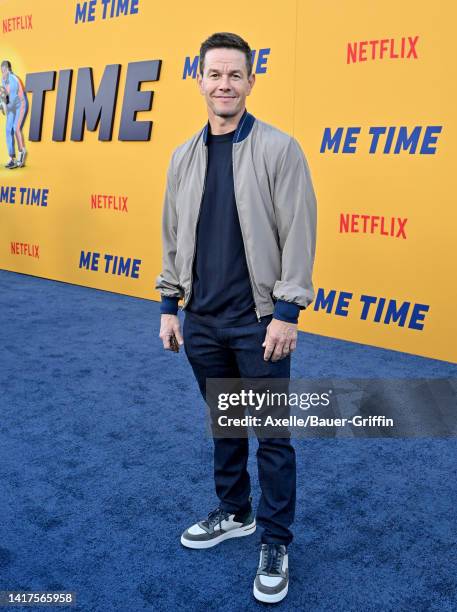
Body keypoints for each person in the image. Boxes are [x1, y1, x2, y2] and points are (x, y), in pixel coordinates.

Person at [155, 32, 317, 604]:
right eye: (214, 74)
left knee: (272, 436)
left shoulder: (279, 149)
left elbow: (299, 232)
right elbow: (174, 236)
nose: (224, 84)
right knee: (225, 422)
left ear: (250, 82)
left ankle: (275, 540)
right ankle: (234, 510)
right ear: (199, 80)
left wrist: (287, 313)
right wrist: (170, 306)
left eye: (234, 75)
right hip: (201, 321)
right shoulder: (182, 155)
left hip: (260, 322)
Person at [1, 60, 28, 169]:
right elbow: (4, 97)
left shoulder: (13, 80)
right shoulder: (3, 80)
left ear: (9, 69)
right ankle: (12, 158)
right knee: (8, 130)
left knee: (16, 128)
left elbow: (10, 100)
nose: (3, 73)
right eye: (1, 71)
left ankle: (21, 153)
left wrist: (3, 105)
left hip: (20, 105)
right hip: (11, 107)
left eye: (4, 70)